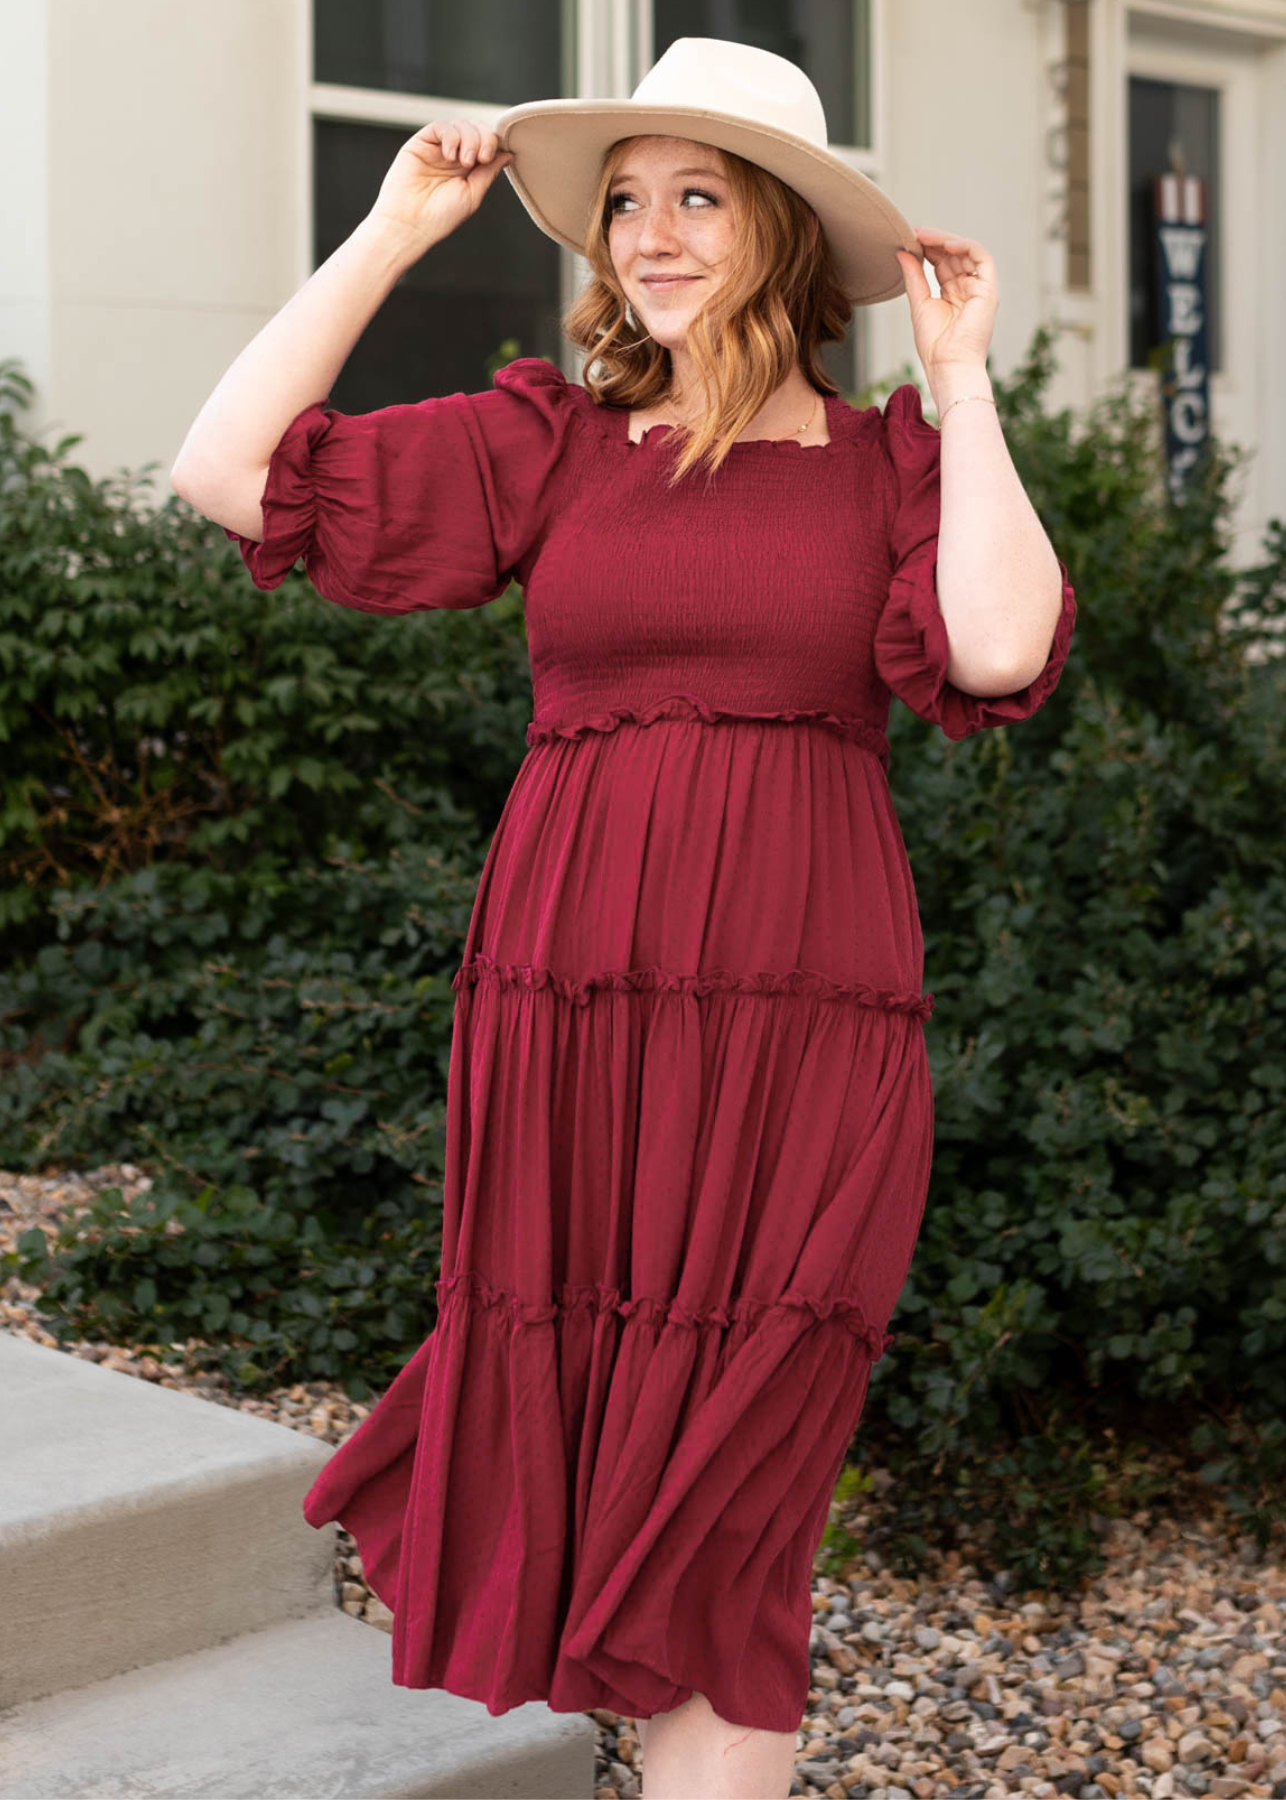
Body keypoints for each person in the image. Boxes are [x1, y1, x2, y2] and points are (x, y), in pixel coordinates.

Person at [171, 36, 1076, 1800]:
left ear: (787, 237)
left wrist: (964, 387)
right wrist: (387, 234)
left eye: (696, 197)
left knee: (740, 1504)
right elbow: (228, 472)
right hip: (571, 1014)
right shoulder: (550, 442)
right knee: (608, 1461)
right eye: (623, 204)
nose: (647, 238)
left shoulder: (890, 460)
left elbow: (992, 647)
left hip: (803, 1037)